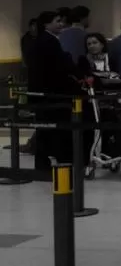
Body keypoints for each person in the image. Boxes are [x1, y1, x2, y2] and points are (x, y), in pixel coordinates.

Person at [28, 10, 78, 172]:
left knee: (46, 129)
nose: (61, 24)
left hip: (45, 92)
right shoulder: (48, 41)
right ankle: (52, 161)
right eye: (57, 21)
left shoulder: (44, 40)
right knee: (50, 128)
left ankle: (44, 162)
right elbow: (58, 66)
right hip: (51, 94)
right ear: (46, 24)